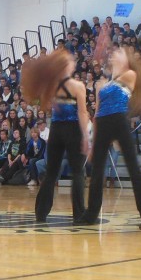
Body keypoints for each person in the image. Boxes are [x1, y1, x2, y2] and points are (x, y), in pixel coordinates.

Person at [76, 45, 141, 229]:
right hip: (102, 124)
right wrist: (92, 141)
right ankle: (91, 214)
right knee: (97, 172)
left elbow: (116, 89)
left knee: (133, 168)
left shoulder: (130, 75)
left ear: (127, 60)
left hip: (119, 120)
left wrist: (103, 85)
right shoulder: (103, 83)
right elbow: (96, 113)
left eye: (119, 53)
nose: (115, 55)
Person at [21, 49, 89, 221]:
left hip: (56, 131)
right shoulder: (78, 86)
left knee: (51, 172)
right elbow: (82, 113)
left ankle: (40, 212)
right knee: (78, 172)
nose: (74, 63)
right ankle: (79, 215)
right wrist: (86, 137)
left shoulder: (50, 86)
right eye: (71, 62)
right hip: (73, 130)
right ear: (66, 66)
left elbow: (35, 102)